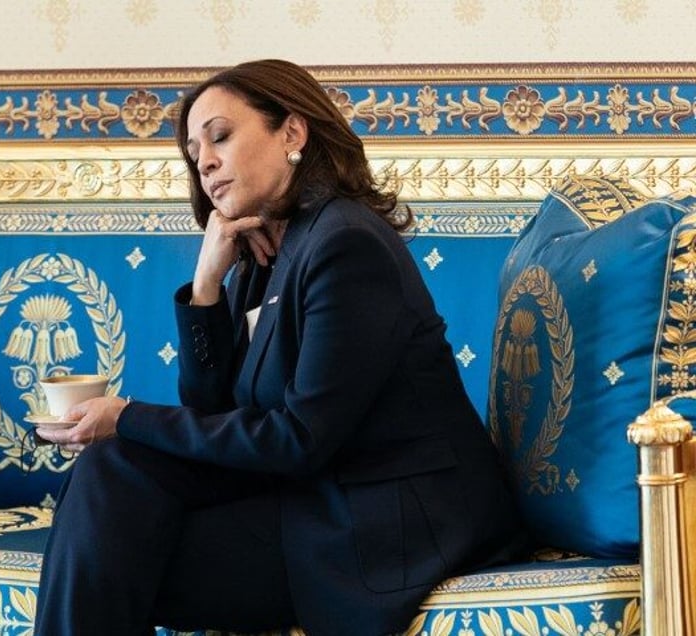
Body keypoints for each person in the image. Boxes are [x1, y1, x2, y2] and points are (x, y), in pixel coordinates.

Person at [33, 59, 527, 636]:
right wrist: (206, 288)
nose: (207, 163)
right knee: (109, 472)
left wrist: (128, 417)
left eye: (220, 137)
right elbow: (214, 415)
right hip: (313, 495)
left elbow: (299, 439)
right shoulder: (266, 247)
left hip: (387, 522)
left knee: (107, 554)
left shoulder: (346, 243)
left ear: (292, 133)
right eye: (196, 155)